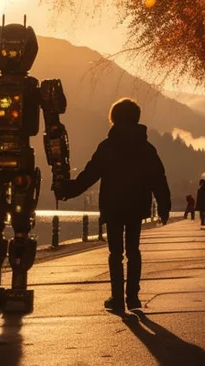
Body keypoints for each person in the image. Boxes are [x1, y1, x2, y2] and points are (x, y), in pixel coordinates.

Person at [56, 98, 171, 314]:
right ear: (136, 119)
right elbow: (159, 178)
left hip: (113, 206)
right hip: (136, 205)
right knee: (134, 250)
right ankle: (133, 297)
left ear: (114, 119)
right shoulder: (146, 148)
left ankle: (117, 298)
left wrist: (67, 191)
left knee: (115, 253)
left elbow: (89, 175)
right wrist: (164, 206)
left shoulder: (107, 147)